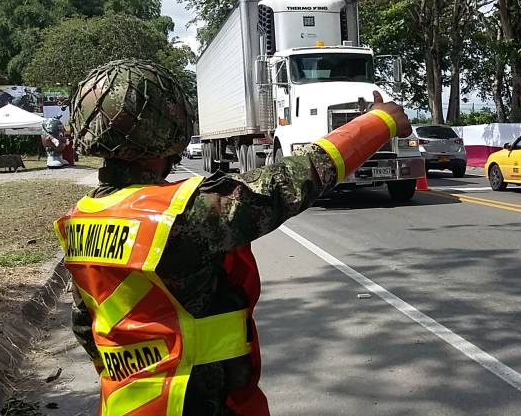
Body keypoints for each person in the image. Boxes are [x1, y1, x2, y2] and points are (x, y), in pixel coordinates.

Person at [53, 59, 411, 416]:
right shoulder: (180, 214)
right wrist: (378, 123)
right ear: (169, 125)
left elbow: (85, 326)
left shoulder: (80, 220)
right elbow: (288, 182)